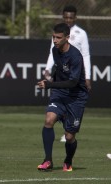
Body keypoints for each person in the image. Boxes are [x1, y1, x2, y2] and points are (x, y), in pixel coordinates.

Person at [37, 23, 89, 172]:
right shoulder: (55, 50)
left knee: (69, 137)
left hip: (76, 97)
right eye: (53, 37)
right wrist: (51, 78)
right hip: (60, 94)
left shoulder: (76, 56)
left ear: (67, 37)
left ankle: (68, 160)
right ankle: (47, 160)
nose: (55, 40)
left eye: (58, 38)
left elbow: (73, 82)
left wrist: (49, 85)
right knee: (49, 120)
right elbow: (60, 71)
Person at [43, 5, 91, 143]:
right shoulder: (58, 32)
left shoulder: (81, 34)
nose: (68, 20)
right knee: (55, 108)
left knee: (74, 104)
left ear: (75, 18)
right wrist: (47, 69)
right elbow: (52, 52)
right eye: (66, 17)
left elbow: (86, 55)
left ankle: (69, 130)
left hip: (76, 76)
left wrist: (87, 77)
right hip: (63, 76)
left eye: (70, 17)